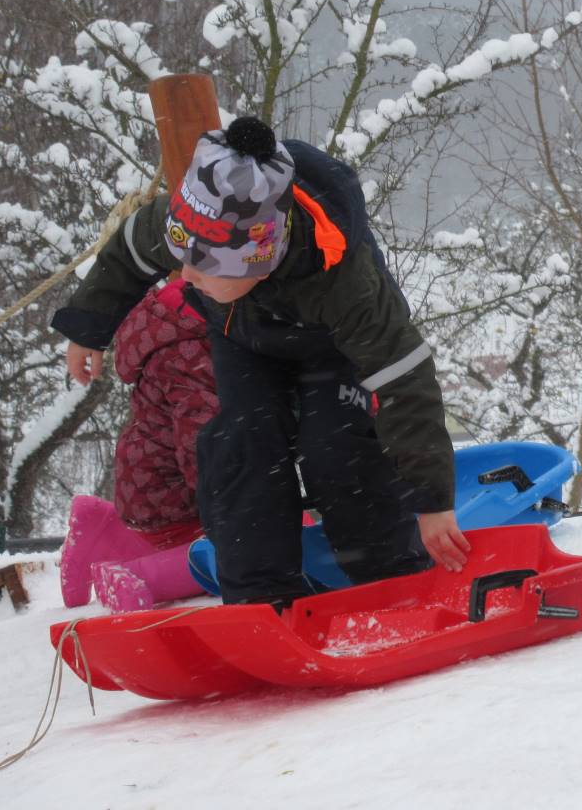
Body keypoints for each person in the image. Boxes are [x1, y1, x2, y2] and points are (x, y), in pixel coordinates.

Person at [53, 117, 468, 605]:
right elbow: (131, 247)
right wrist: (87, 328)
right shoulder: (202, 219)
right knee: (241, 443)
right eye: (184, 256)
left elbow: (405, 379)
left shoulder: (345, 281)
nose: (184, 275)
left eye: (204, 266)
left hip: (332, 351)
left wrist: (432, 501)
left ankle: (392, 578)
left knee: (335, 447)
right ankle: (262, 596)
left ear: (258, 258)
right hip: (245, 342)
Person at [58, 278, 216, 612]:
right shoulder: (191, 352)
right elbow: (203, 443)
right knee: (264, 543)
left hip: (151, 482)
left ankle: (105, 527)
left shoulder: (177, 329)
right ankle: (140, 577)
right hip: (174, 490)